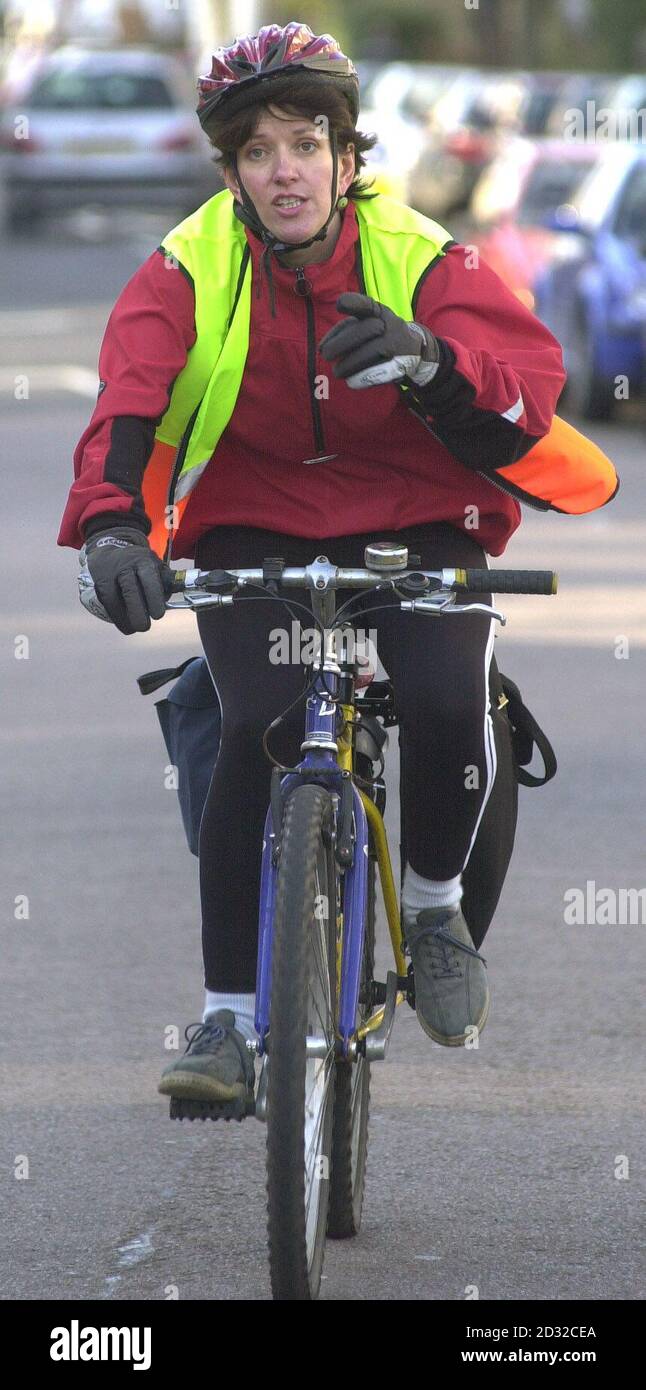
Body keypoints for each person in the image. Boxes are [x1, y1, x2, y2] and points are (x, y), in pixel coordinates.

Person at [58, 23, 568, 1107]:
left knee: (442, 697)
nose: (283, 170)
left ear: (346, 157)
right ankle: (230, 1022)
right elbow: (128, 407)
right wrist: (110, 529)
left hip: (421, 518)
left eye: (304, 143)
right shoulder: (187, 264)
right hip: (257, 523)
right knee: (255, 725)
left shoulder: (420, 250)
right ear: (231, 170)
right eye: (256, 151)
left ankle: (432, 911)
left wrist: (434, 364)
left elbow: (530, 381)